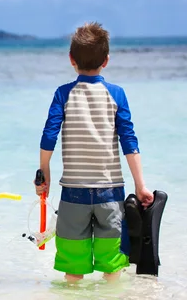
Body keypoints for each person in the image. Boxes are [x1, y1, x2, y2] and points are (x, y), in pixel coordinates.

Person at [35, 22, 154, 283]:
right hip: (110, 194)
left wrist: (44, 173)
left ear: (71, 60)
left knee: (73, 269)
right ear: (107, 60)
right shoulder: (116, 95)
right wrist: (141, 185)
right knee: (112, 267)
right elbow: (129, 141)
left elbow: (49, 135)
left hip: (73, 194)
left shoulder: (63, 94)